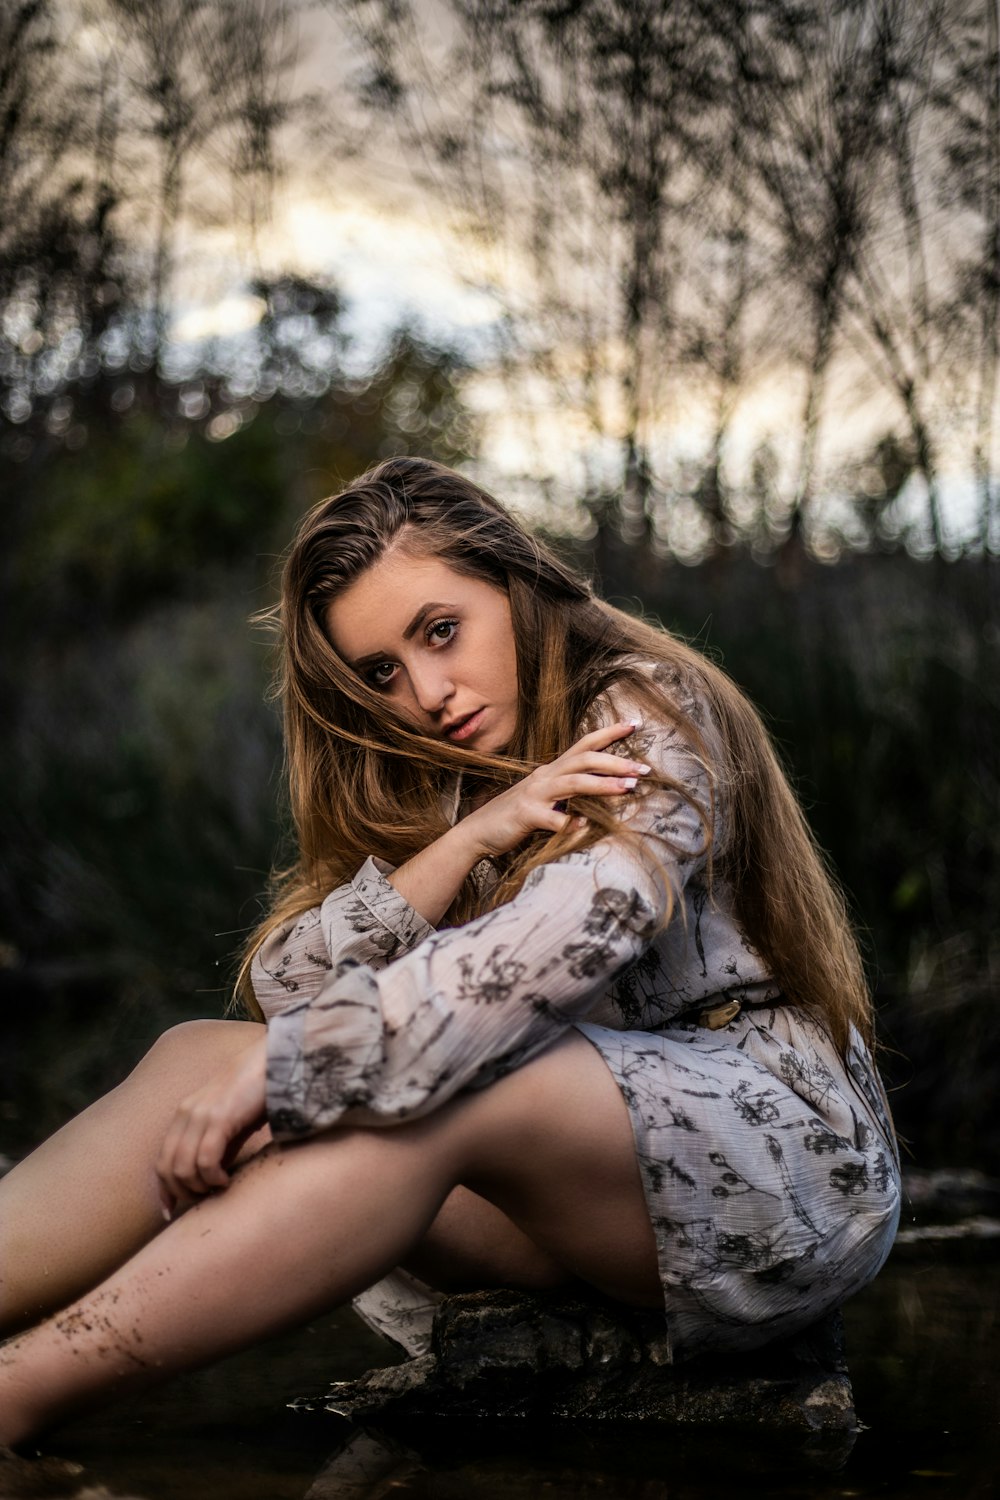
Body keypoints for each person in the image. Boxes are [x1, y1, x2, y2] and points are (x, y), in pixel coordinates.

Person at [0, 457, 900, 1446]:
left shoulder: (645, 709)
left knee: (444, 1073)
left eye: (440, 631)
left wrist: (301, 1067)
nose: (426, 692)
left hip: (775, 1164)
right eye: (381, 672)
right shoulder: (457, 783)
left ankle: (19, 1391)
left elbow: (578, 928)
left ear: (513, 582)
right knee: (193, 1057)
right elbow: (284, 984)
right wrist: (467, 840)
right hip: (569, 1193)